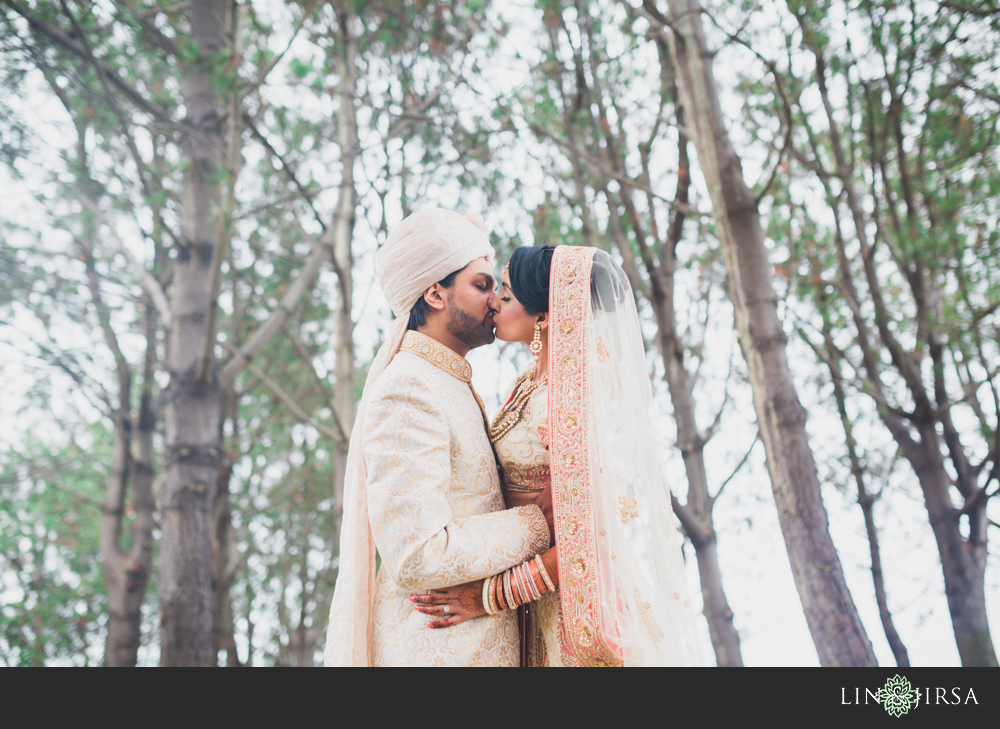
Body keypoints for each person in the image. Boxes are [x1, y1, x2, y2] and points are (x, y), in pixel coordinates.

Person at [411, 245, 704, 666]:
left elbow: (588, 535)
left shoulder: (564, 401)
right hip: (538, 601)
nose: (494, 300)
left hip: (574, 607)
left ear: (544, 316)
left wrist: (487, 596)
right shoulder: (527, 383)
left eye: (507, 295)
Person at [323, 208, 552, 667]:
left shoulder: (449, 381)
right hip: (437, 651)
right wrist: (539, 524)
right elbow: (418, 554)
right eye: (482, 285)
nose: (496, 300)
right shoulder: (409, 387)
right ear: (434, 293)